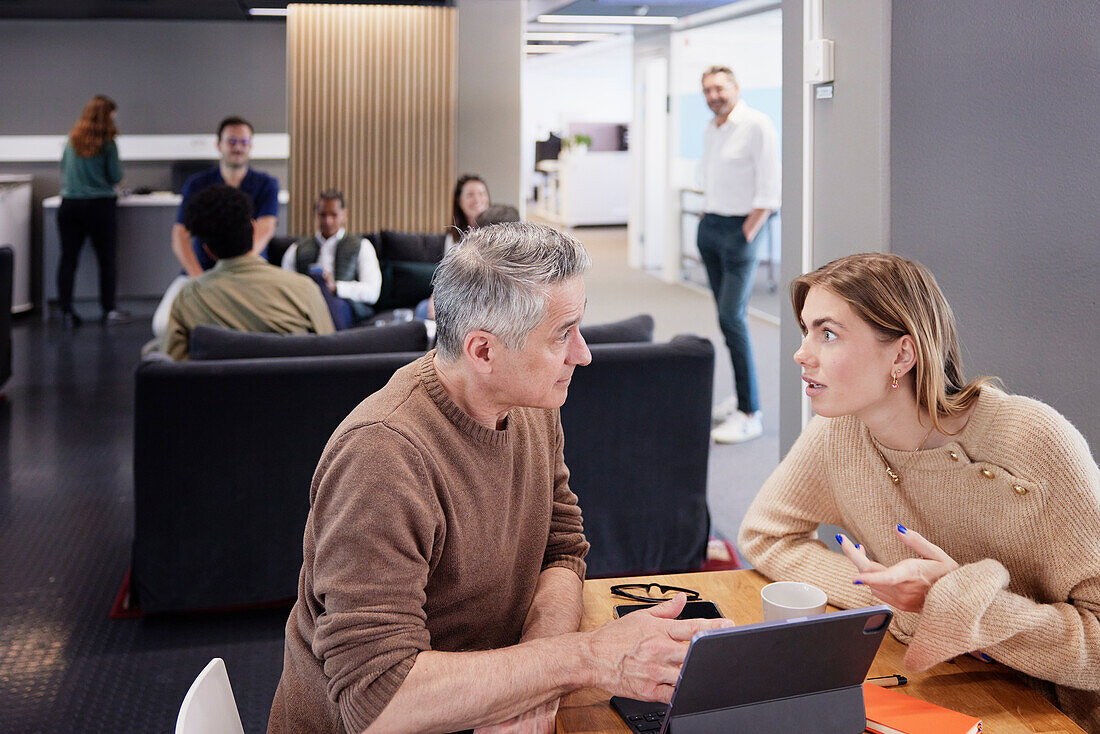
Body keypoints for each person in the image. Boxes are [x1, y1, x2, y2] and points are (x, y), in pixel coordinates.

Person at [268, 222, 731, 734]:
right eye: (563, 334)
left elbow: (562, 548)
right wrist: (581, 659)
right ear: (483, 351)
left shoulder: (530, 402)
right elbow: (379, 701)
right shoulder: (382, 456)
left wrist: (534, 678)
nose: (584, 353)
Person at [738, 252, 1100, 733]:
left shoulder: (1033, 442)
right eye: (806, 330)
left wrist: (954, 606)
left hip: (1045, 714)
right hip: (935, 685)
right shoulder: (841, 431)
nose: (802, 353)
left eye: (828, 334)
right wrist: (888, 596)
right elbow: (767, 535)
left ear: (902, 355)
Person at [697, 65, 780, 444]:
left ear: (735, 87)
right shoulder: (712, 129)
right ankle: (742, 398)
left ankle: (750, 412)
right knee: (725, 319)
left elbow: (770, 188)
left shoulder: (757, 125)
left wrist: (746, 232)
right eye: (707, 90)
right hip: (711, 227)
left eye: (719, 88)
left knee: (733, 319)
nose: (713, 95)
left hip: (739, 232)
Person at [160, 185, 333, 361]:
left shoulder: (187, 300)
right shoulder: (304, 290)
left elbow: (173, 374)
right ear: (253, 228)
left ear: (208, 251)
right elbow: (332, 356)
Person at [152, 115, 280, 338]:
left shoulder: (266, 184)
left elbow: (266, 228)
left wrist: (236, 268)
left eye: (244, 142)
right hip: (200, 273)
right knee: (163, 326)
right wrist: (200, 278)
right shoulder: (198, 184)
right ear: (218, 145)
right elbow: (180, 235)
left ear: (251, 146)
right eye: (232, 142)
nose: (238, 148)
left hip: (250, 271)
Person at [56, 94, 127, 326]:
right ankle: (108, 310)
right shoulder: (108, 143)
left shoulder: (71, 140)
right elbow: (115, 176)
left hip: (70, 205)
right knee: (106, 260)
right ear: (107, 116)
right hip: (100, 206)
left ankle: (65, 311)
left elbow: (63, 170)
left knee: (68, 259)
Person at [281, 189, 382, 329]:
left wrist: (336, 288)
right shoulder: (296, 249)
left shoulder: (362, 246)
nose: (328, 221)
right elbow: (286, 287)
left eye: (334, 215)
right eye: (323, 215)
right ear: (316, 215)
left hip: (342, 305)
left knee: (331, 305)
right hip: (306, 303)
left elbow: (372, 292)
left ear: (344, 215)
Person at [445, 173, 490, 251]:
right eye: (470, 195)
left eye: (481, 194)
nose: (477, 200)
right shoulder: (452, 238)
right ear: (459, 201)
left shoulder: (499, 231)